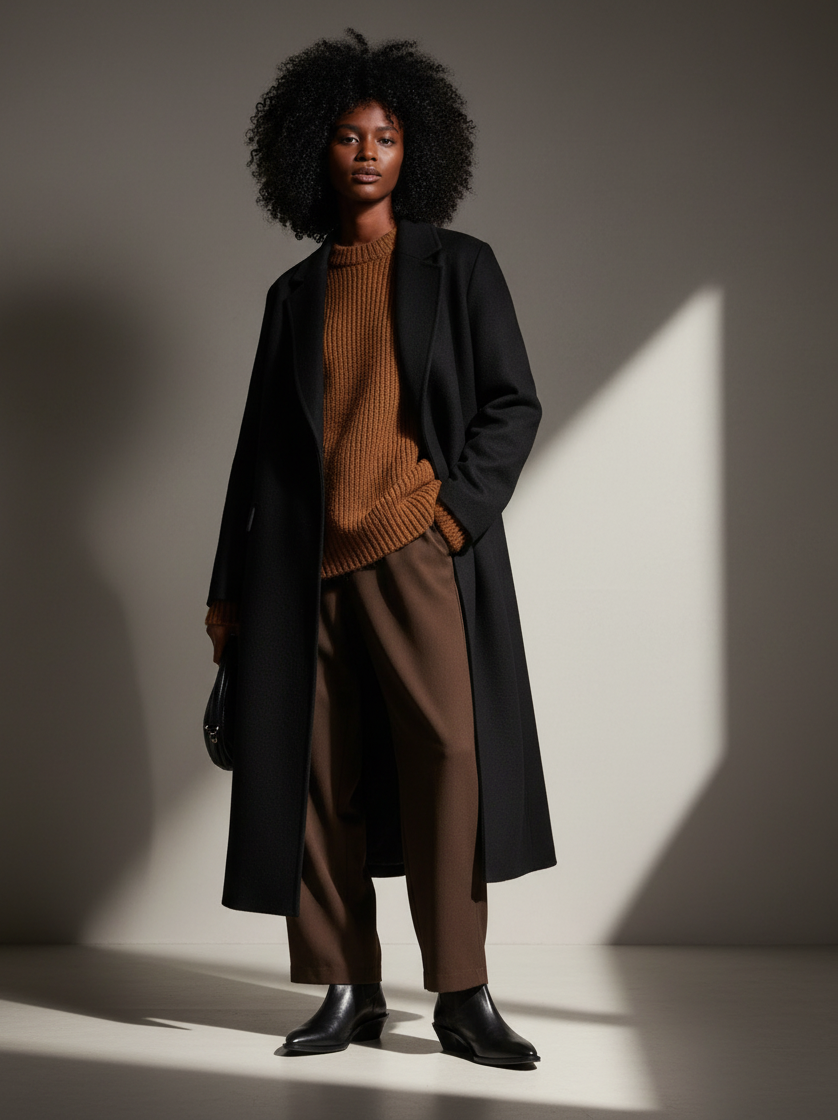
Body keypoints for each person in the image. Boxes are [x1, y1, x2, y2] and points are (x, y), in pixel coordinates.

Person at [206, 29, 555, 1066]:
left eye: (387, 136)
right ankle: (341, 987)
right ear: (313, 150)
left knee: (450, 763)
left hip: (414, 553)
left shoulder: (461, 269)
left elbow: (513, 403)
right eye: (349, 136)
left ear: (416, 152)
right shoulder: (292, 296)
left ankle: (461, 992)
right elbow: (257, 459)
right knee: (319, 778)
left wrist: (449, 517)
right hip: (302, 573)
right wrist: (230, 592)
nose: (366, 151)